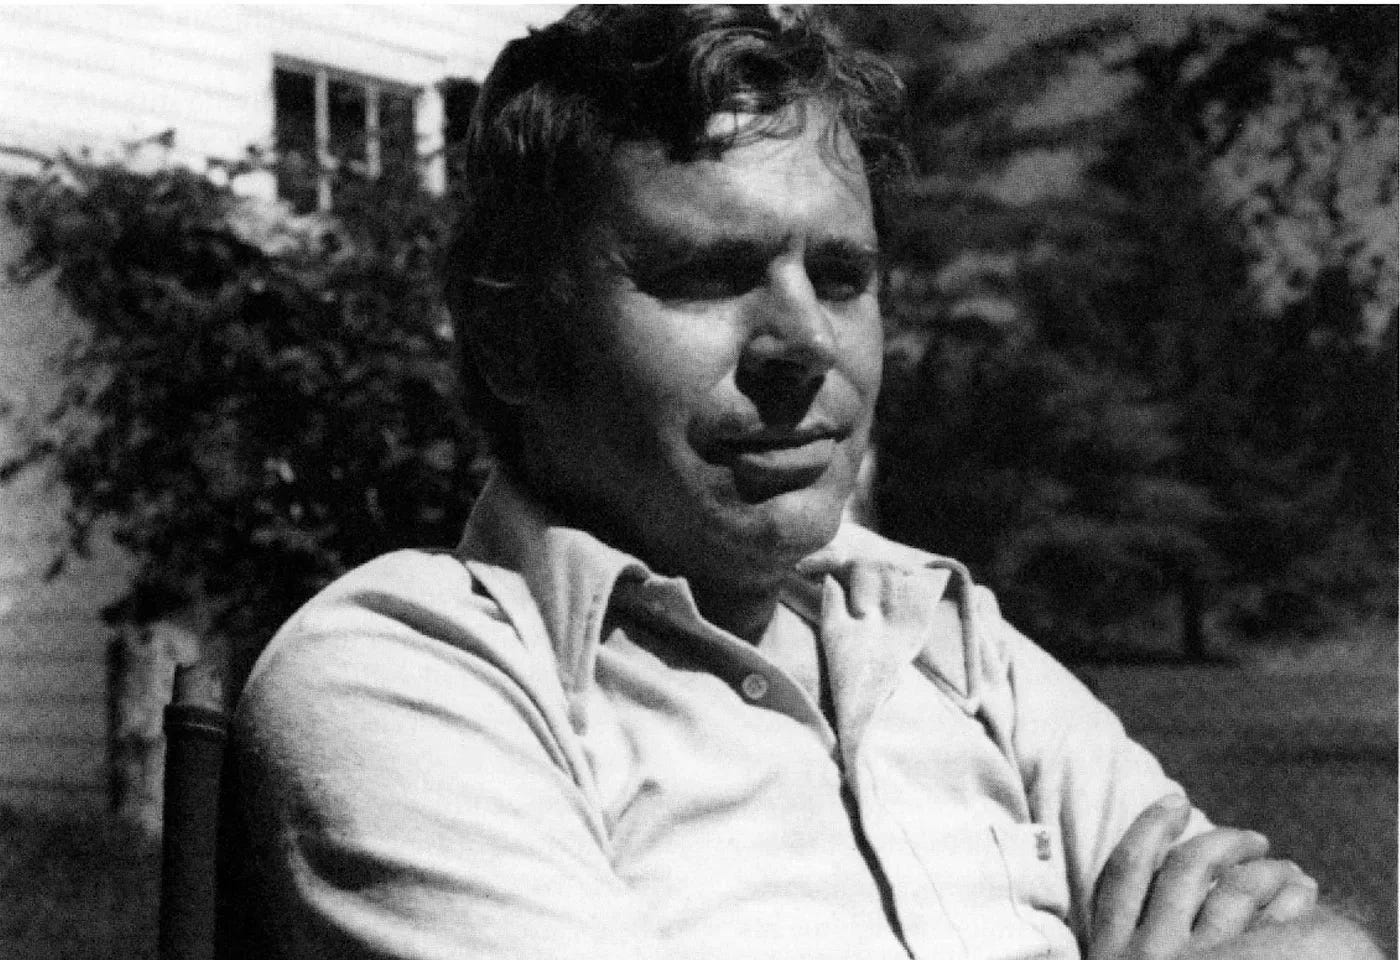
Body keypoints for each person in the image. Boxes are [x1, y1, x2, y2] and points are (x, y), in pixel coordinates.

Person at [228, 7, 1382, 960]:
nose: (805, 344)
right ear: (511, 339)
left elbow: (1310, 947)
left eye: (839, 276)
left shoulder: (943, 638)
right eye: (704, 273)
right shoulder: (408, 678)